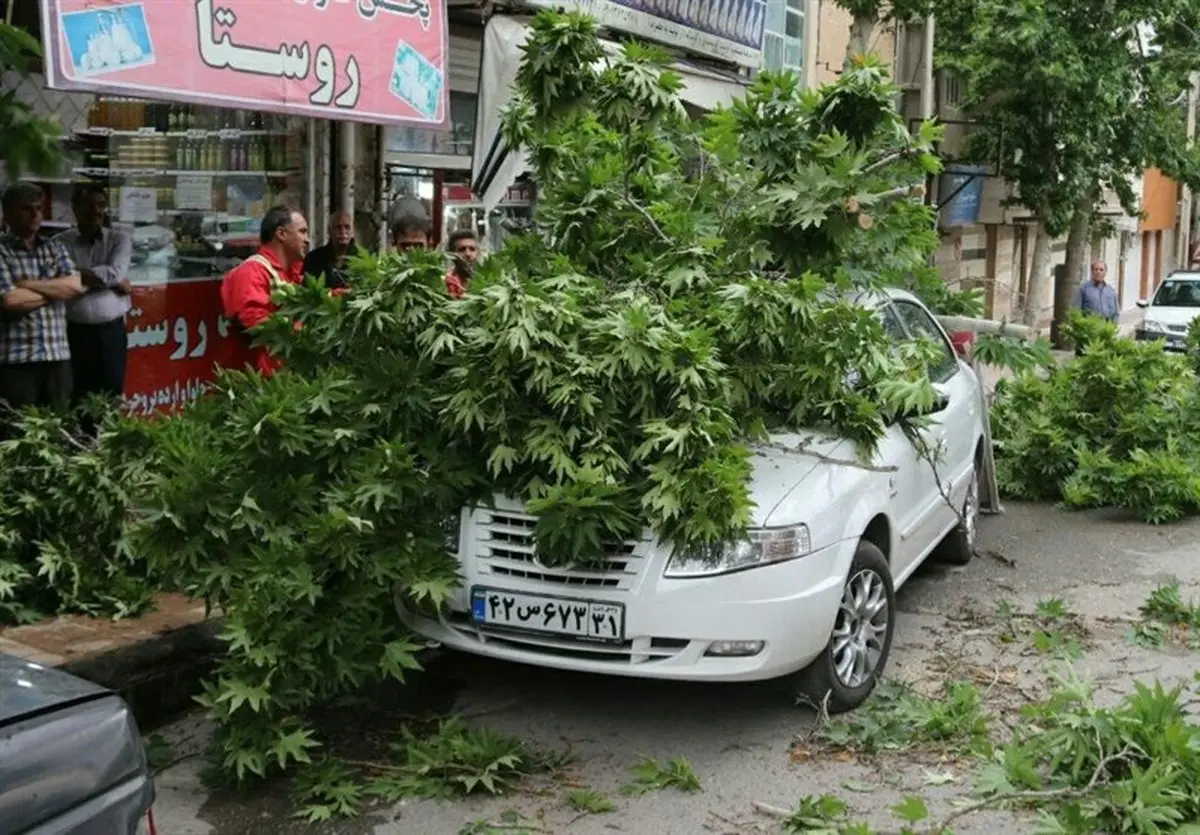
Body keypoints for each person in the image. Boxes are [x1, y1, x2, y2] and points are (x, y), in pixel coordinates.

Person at [0, 182, 84, 410]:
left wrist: (26, 285)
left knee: (60, 428)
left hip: (57, 356)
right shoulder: (2, 250)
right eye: (27, 208)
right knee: (19, 433)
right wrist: (55, 290)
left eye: (38, 208)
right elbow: (10, 301)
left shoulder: (53, 248)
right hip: (16, 360)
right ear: (7, 213)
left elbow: (75, 287)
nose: (36, 214)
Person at [55, 183, 133, 401]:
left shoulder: (119, 239)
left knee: (111, 393)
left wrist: (74, 278)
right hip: (73, 333)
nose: (96, 211)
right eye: (89, 205)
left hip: (111, 332)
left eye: (101, 205)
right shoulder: (59, 242)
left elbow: (115, 274)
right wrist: (107, 279)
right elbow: (58, 279)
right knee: (78, 394)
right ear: (75, 208)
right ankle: (80, 437)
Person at [220, 205, 309, 377]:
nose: (307, 240)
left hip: (280, 375)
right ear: (281, 234)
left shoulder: (290, 273)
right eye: (302, 232)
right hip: (256, 382)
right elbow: (253, 319)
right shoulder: (253, 271)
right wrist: (301, 329)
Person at [1071, 260, 1119, 357]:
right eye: (1096, 269)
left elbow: (1116, 312)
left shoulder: (1110, 291)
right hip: (1089, 332)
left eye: (1101, 269)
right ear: (1092, 272)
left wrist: (1112, 328)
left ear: (1105, 272)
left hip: (1104, 332)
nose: (1098, 272)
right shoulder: (1083, 289)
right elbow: (1076, 311)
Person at [302, 210, 359, 290]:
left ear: (352, 231)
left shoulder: (361, 259)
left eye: (347, 227)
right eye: (338, 227)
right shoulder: (313, 258)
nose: (343, 232)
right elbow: (306, 290)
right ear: (329, 230)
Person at [444, 228, 480, 299]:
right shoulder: (445, 283)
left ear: (478, 253)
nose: (468, 254)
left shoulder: (488, 281)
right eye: (462, 249)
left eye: (472, 249)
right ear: (451, 254)